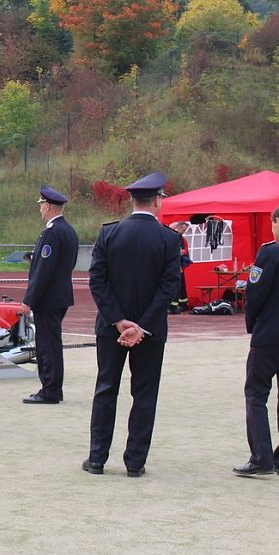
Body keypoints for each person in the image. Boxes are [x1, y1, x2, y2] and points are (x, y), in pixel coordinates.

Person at [82, 172, 180, 477]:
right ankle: (135, 462)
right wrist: (142, 326)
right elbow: (169, 287)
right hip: (150, 333)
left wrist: (118, 321)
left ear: (132, 200)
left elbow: (97, 280)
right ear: (156, 201)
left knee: (106, 389)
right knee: (145, 394)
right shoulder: (168, 239)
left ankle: (97, 459)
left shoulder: (109, 234)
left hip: (111, 329)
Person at [20, 185, 79, 405]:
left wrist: (29, 299)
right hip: (60, 294)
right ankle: (51, 387)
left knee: (47, 344)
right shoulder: (68, 231)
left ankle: (50, 389)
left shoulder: (52, 233)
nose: (40, 210)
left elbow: (44, 270)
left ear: (47, 206)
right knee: (50, 342)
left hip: (48, 298)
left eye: (41, 206)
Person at [232, 205, 279, 476]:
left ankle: (261, 458)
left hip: (270, 337)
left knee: (256, 395)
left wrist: (252, 325)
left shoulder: (269, 253)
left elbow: (255, 293)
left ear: (275, 222)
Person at [168, 221, 191, 314]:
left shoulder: (180, 238)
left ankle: (179, 305)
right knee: (177, 285)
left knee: (180, 286)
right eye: (183, 229)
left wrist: (183, 253)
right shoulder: (173, 237)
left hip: (178, 265)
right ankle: (174, 306)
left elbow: (185, 249)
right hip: (174, 266)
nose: (184, 231)